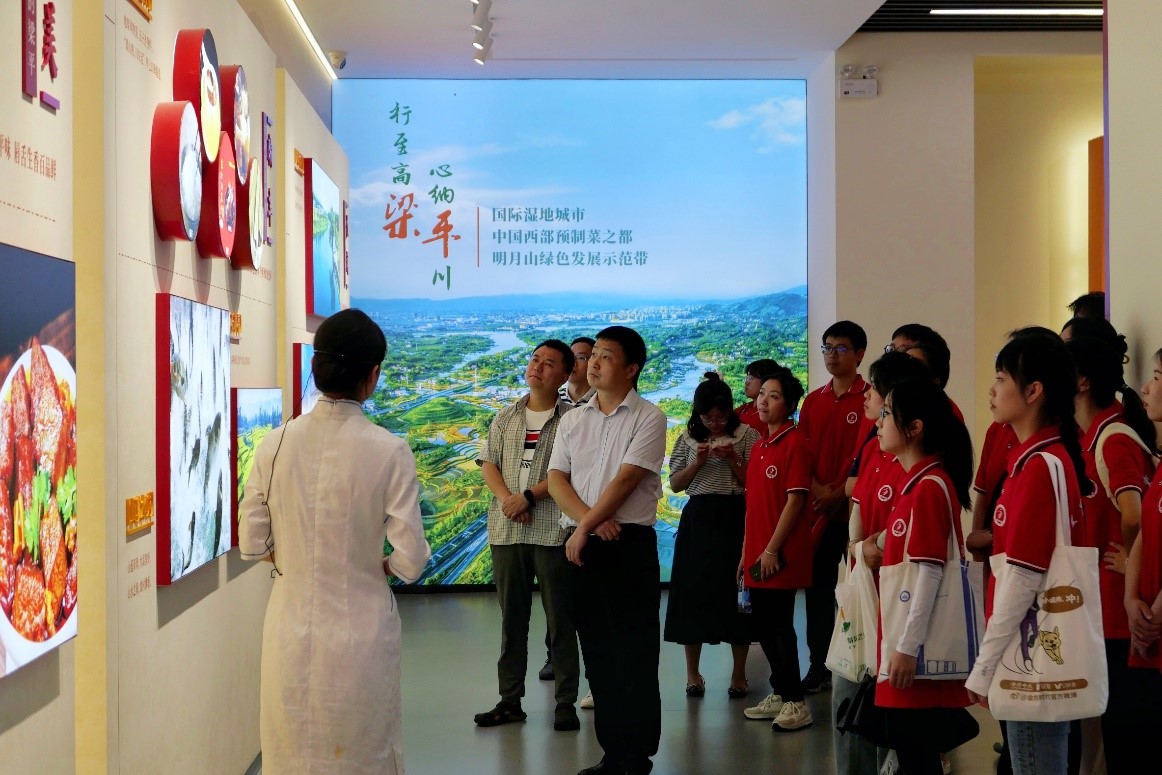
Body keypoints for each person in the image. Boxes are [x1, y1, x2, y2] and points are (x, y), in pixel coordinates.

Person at [239, 309, 431, 774]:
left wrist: (297, 555)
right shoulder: (389, 450)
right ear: (372, 375)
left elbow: (252, 542)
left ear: (316, 366)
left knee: (290, 749)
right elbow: (411, 560)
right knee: (362, 749)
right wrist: (379, 565)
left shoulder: (273, 443)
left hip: (287, 623)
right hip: (360, 627)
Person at [965, 330, 1090, 775]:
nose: (992, 390)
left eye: (1001, 379)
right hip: (1035, 646)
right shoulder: (1038, 459)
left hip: (1030, 653)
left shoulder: (1038, 467)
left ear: (1033, 391)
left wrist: (984, 666)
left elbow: (1021, 581)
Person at [548, 325, 667, 775]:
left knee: (634, 653)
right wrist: (588, 523)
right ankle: (613, 753)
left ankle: (637, 755)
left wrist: (585, 527)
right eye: (592, 354)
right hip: (584, 544)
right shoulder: (573, 419)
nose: (593, 363)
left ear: (631, 369)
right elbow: (556, 480)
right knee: (596, 652)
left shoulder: (649, 417)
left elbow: (626, 480)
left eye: (606, 356)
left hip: (627, 545)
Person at [473, 340, 582, 732]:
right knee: (512, 622)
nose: (538, 366)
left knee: (561, 621)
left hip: (553, 531)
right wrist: (509, 500)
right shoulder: (506, 416)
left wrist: (528, 497)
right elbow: (489, 463)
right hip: (508, 530)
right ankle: (509, 701)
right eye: (535, 359)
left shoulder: (573, 419)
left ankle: (565, 703)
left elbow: (571, 473)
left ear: (565, 374)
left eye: (549, 363)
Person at [874, 379, 979, 774]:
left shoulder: (929, 488)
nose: (878, 422)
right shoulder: (918, 483)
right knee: (912, 752)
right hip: (907, 643)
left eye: (887, 414)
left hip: (916, 652)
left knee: (916, 755)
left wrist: (906, 648)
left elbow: (930, 574)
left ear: (914, 428)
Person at [1066, 333, 1158, 774]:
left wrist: (1128, 559)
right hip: (1101, 610)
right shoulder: (1089, 436)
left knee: (1122, 733)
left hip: (1120, 615)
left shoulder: (1112, 438)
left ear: (1082, 381)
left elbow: (1134, 514)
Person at [835, 351, 930, 775]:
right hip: (862, 592)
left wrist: (871, 546)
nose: (866, 396)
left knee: (889, 720)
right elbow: (857, 515)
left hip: (896, 600)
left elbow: (906, 534)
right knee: (850, 697)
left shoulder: (922, 466)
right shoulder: (874, 448)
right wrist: (858, 549)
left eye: (874, 389)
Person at [663, 373, 759, 699]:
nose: (715, 424)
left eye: (720, 417)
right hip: (699, 518)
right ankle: (693, 675)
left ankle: (739, 674)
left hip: (735, 515)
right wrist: (698, 462)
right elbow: (676, 484)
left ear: (730, 411)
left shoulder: (747, 435)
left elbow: (754, 482)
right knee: (692, 594)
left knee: (737, 594)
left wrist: (732, 458)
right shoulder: (687, 438)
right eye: (708, 418)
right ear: (698, 414)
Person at [739, 367, 816, 732]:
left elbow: (795, 501)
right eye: (761, 394)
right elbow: (753, 507)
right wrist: (745, 553)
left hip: (779, 554)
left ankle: (796, 702)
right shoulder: (760, 445)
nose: (763, 401)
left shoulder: (795, 443)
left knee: (779, 626)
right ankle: (782, 692)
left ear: (789, 404)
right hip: (757, 553)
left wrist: (770, 550)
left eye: (773, 396)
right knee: (764, 626)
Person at [798, 320, 869, 694]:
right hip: (820, 512)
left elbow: (872, 457)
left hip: (859, 513)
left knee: (864, 589)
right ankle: (819, 665)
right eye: (827, 348)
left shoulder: (871, 400)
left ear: (859, 354)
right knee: (818, 592)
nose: (832, 355)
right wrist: (819, 491)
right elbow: (802, 455)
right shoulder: (813, 401)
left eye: (841, 348)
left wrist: (840, 492)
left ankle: (865, 663)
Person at [541, 336, 596, 691]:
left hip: (591, 514)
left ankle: (593, 674)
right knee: (558, 600)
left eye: (585, 357)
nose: (579, 363)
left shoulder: (601, 406)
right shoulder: (555, 404)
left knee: (590, 605)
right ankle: (556, 657)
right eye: (573, 357)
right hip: (556, 516)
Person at [1126, 348, 1162, 675]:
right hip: (1149, 622)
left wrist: (1154, 616)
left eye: (1157, 377)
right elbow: (1145, 532)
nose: (1146, 387)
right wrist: (1130, 599)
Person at [736, 358, 781, 434]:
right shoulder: (747, 407)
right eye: (747, 377)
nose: (747, 382)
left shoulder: (765, 415)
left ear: (766, 381)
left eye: (751, 378)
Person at [560, 336, 597, 408]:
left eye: (581, 357)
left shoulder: (603, 400)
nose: (573, 363)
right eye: (570, 357)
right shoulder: (554, 398)